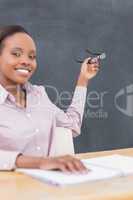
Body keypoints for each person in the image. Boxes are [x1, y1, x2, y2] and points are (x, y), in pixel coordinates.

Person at [0, 25, 100, 173]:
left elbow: (72, 125)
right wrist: (40, 162)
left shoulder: (39, 95)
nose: (26, 61)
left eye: (32, 57)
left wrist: (83, 79)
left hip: (47, 188)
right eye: (16, 54)